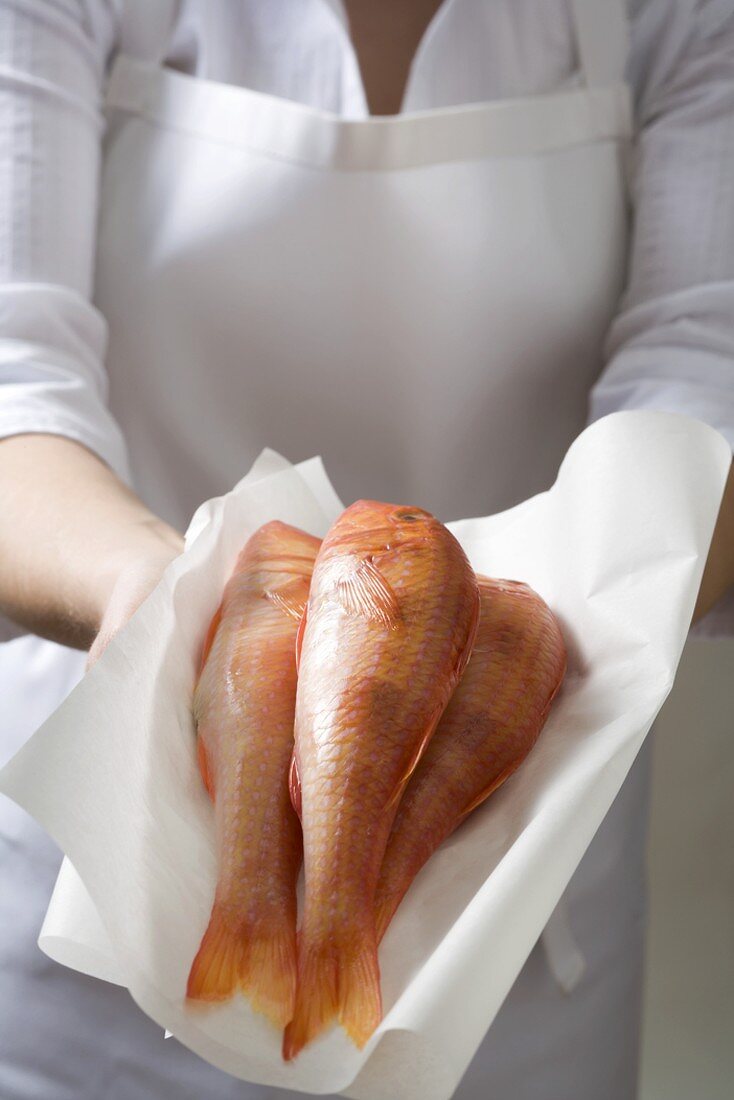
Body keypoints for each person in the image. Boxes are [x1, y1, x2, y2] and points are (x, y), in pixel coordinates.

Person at [1, 1, 733, 1098]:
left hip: (511, 902)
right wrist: (142, 591)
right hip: (103, 885)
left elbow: (706, 363)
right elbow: (13, 363)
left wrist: (576, 618)